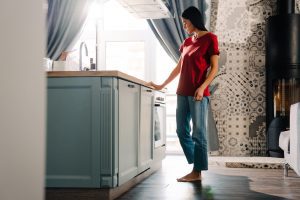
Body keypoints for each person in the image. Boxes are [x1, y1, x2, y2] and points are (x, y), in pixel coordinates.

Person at [149, 6, 219, 182]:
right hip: (182, 92)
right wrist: (161, 84)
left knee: (199, 133)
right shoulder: (187, 42)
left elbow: (215, 68)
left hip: (198, 94)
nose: (184, 26)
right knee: (181, 131)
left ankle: (197, 172)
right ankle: (197, 163)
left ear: (193, 20)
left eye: (185, 22)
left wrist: (202, 87)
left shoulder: (210, 39)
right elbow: (178, 67)